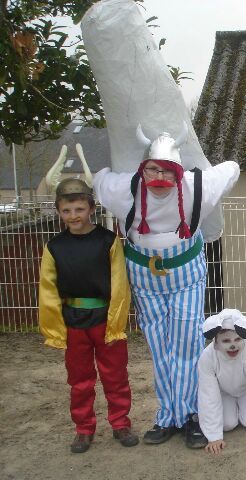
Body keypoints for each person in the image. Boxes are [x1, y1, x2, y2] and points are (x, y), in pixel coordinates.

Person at [93, 126, 240, 448]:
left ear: (179, 172)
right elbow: (100, 179)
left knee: (187, 348)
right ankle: (166, 416)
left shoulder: (195, 186)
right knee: (160, 350)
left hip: (186, 275)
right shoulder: (123, 190)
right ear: (142, 169)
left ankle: (190, 416)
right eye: (152, 169)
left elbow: (232, 168)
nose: (159, 177)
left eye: (167, 170)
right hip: (144, 278)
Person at [39, 178, 138, 453]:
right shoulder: (54, 247)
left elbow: (119, 282)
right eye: (67, 211)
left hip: (106, 320)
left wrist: (116, 322)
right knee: (79, 380)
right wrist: (55, 328)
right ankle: (84, 429)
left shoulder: (107, 240)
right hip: (73, 322)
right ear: (59, 212)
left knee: (115, 376)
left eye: (79, 209)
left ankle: (120, 423)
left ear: (91, 208)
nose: (74, 216)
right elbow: (48, 289)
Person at [198, 309, 246, 456]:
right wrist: (214, 436)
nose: (233, 346)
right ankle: (232, 411)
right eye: (226, 341)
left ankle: (242, 410)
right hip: (223, 392)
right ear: (216, 342)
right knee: (227, 424)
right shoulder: (207, 357)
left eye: (237, 339)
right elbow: (208, 394)